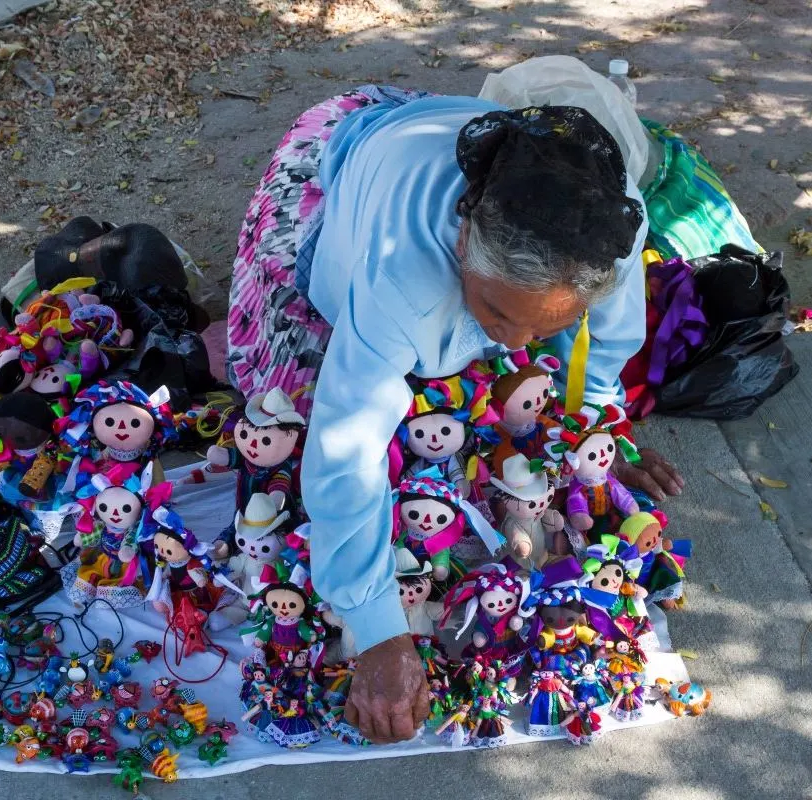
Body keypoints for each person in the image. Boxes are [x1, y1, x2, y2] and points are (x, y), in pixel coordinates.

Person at [226, 85, 686, 745]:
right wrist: (380, 630)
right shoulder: (398, 275)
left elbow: (604, 341)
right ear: (462, 238)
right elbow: (344, 451)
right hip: (343, 150)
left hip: (449, 137)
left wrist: (597, 430)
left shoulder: (608, 220)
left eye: (545, 324)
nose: (512, 346)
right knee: (287, 410)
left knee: (492, 401)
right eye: (497, 313)